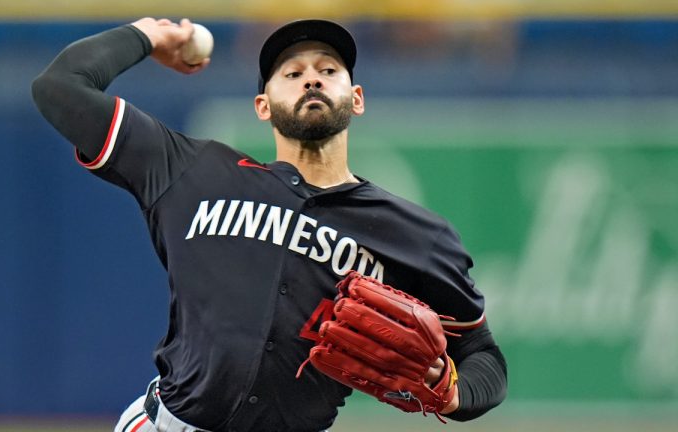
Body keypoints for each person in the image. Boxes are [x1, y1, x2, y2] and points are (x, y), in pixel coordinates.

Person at [32, 17, 507, 432]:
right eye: (292, 73)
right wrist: (148, 34)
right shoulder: (191, 171)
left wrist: (453, 394)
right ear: (263, 106)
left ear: (356, 98)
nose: (312, 81)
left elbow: (484, 356)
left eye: (328, 70)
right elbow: (60, 87)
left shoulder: (415, 235)